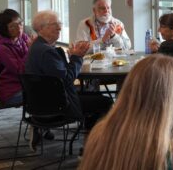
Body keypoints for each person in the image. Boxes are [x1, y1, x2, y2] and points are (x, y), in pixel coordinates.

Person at [25, 11, 113, 150]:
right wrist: (77, 57)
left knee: (91, 95)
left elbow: (59, 76)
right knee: (105, 101)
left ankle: (90, 143)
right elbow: (67, 79)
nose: (60, 28)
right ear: (41, 28)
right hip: (56, 106)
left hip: (39, 103)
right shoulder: (47, 52)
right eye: (55, 25)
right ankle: (93, 148)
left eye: (59, 24)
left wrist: (72, 58)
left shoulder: (37, 47)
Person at [0, 9, 31, 105]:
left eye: (20, 23)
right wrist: (31, 50)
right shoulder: (2, 48)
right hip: (11, 92)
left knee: (52, 88)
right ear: (4, 29)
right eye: (12, 26)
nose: (19, 28)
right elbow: (20, 70)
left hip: (25, 85)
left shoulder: (23, 38)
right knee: (45, 94)